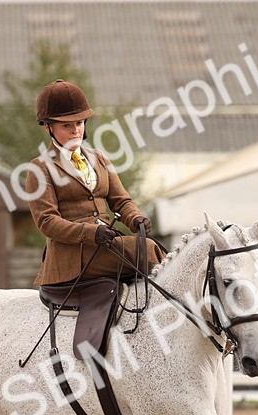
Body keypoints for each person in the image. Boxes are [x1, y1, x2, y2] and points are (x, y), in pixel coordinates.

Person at [23, 79, 163, 288]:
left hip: (104, 246)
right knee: (148, 250)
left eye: (79, 123)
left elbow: (121, 201)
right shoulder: (40, 169)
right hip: (71, 257)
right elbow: (47, 222)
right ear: (47, 127)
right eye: (66, 125)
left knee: (157, 250)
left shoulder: (99, 158)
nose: (75, 131)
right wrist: (90, 233)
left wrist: (136, 218)